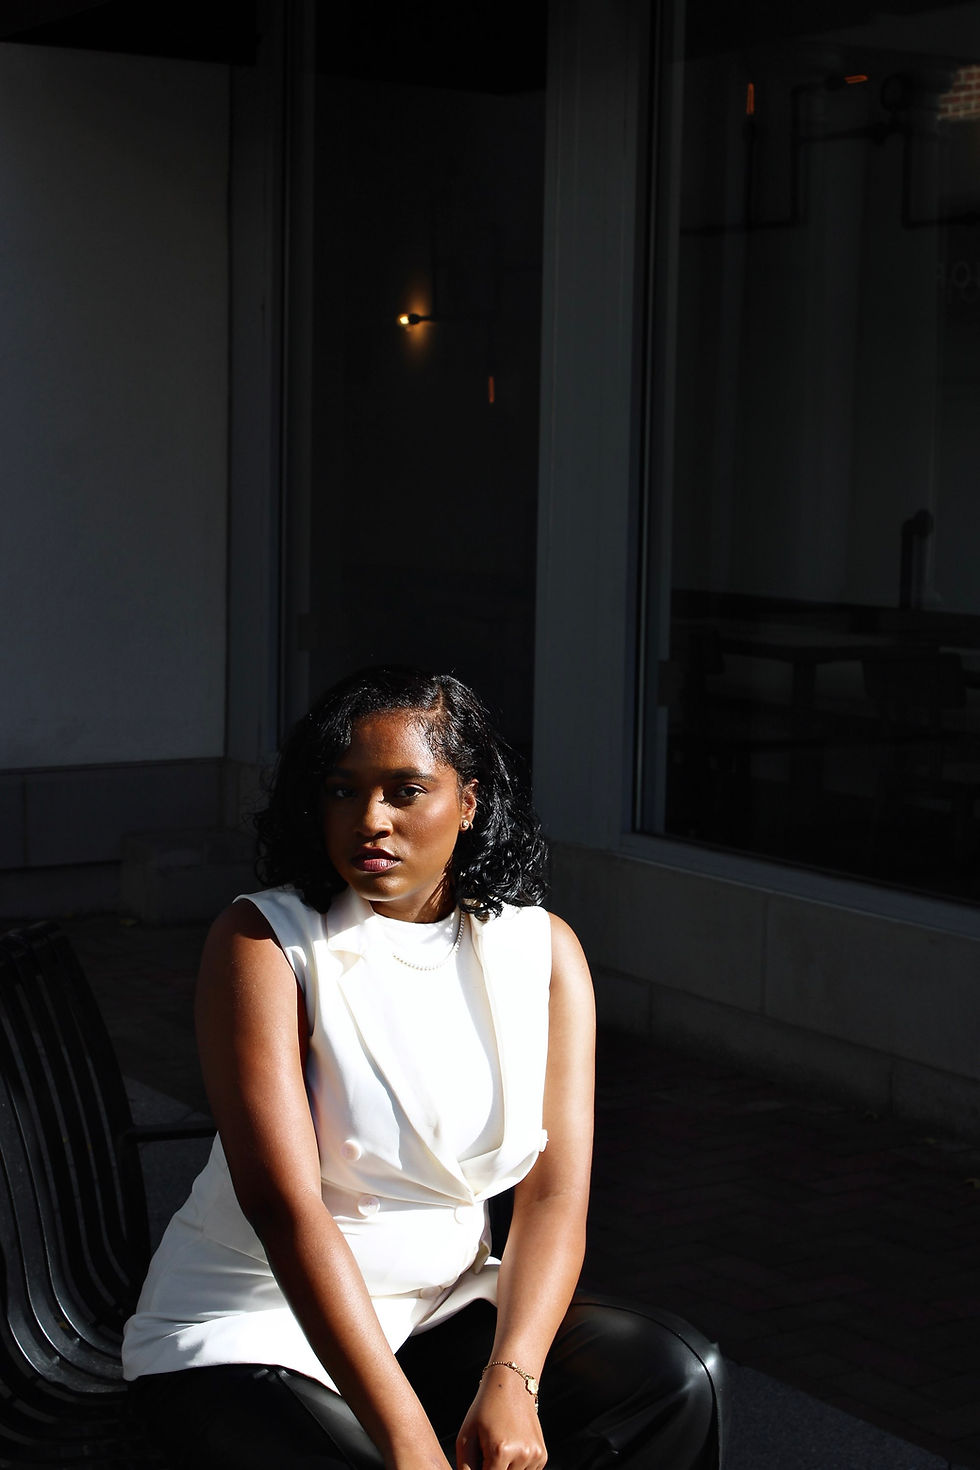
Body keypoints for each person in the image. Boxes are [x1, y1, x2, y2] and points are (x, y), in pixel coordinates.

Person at [123, 666, 726, 1470]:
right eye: (343, 791)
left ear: (468, 802)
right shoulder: (264, 942)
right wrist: (411, 1445)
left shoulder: (542, 952)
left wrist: (513, 1379)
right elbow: (285, 1209)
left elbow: (555, 1198)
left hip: (438, 1311)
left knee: (674, 1377)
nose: (370, 820)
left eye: (405, 791)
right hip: (256, 1325)